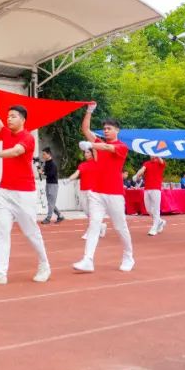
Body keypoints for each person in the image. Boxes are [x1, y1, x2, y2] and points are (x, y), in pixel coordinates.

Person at [0, 85, 51, 285]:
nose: (9, 118)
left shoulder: (27, 137)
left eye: (13, 116)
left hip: (24, 193)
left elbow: (16, 151)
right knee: (2, 231)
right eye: (8, 116)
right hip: (4, 191)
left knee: (30, 232)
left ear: (23, 119)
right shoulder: (5, 134)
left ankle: (44, 264)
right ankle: (0, 272)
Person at [74, 103, 134, 273]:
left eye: (109, 128)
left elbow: (108, 147)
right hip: (97, 193)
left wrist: (91, 146)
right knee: (93, 225)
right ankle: (88, 259)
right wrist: (89, 111)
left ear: (117, 130)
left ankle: (128, 255)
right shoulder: (98, 142)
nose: (106, 131)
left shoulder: (121, 147)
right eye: (104, 129)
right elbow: (85, 129)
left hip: (114, 194)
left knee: (120, 227)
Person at [68, 144, 107, 241]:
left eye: (88, 152)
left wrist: (91, 144)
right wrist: (69, 179)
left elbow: (97, 150)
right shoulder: (82, 165)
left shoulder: (97, 163)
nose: (86, 154)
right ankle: (101, 225)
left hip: (93, 191)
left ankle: (90, 232)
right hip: (83, 190)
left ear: (92, 153)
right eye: (85, 152)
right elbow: (77, 173)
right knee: (87, 212)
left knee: (93, 212)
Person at [132, 154, 167, 236]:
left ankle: (154, 228)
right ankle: (160, 221)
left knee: (156, 209)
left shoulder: (160, 163)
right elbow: (142, 169)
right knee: (148, 210)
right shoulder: (147, 163)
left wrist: (158, 155)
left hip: (156, 189)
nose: (151, 155)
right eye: (150, 154)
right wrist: (137, 175)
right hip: (147, 189)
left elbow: (162, 161)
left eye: (153, 154)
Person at [40, 147, 64, 225]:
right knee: (50, 203)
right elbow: (44, 171)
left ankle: (48, 218)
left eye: (44, 154)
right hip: (48, 184)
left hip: (53, 185)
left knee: (50, 203)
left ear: (49, 154)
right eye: (42, 154)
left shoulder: (53, 164)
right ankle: (60, 215)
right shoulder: (46, 163)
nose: (43, 156)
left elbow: (51, 174)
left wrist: (42, 173)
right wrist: (41, 169)